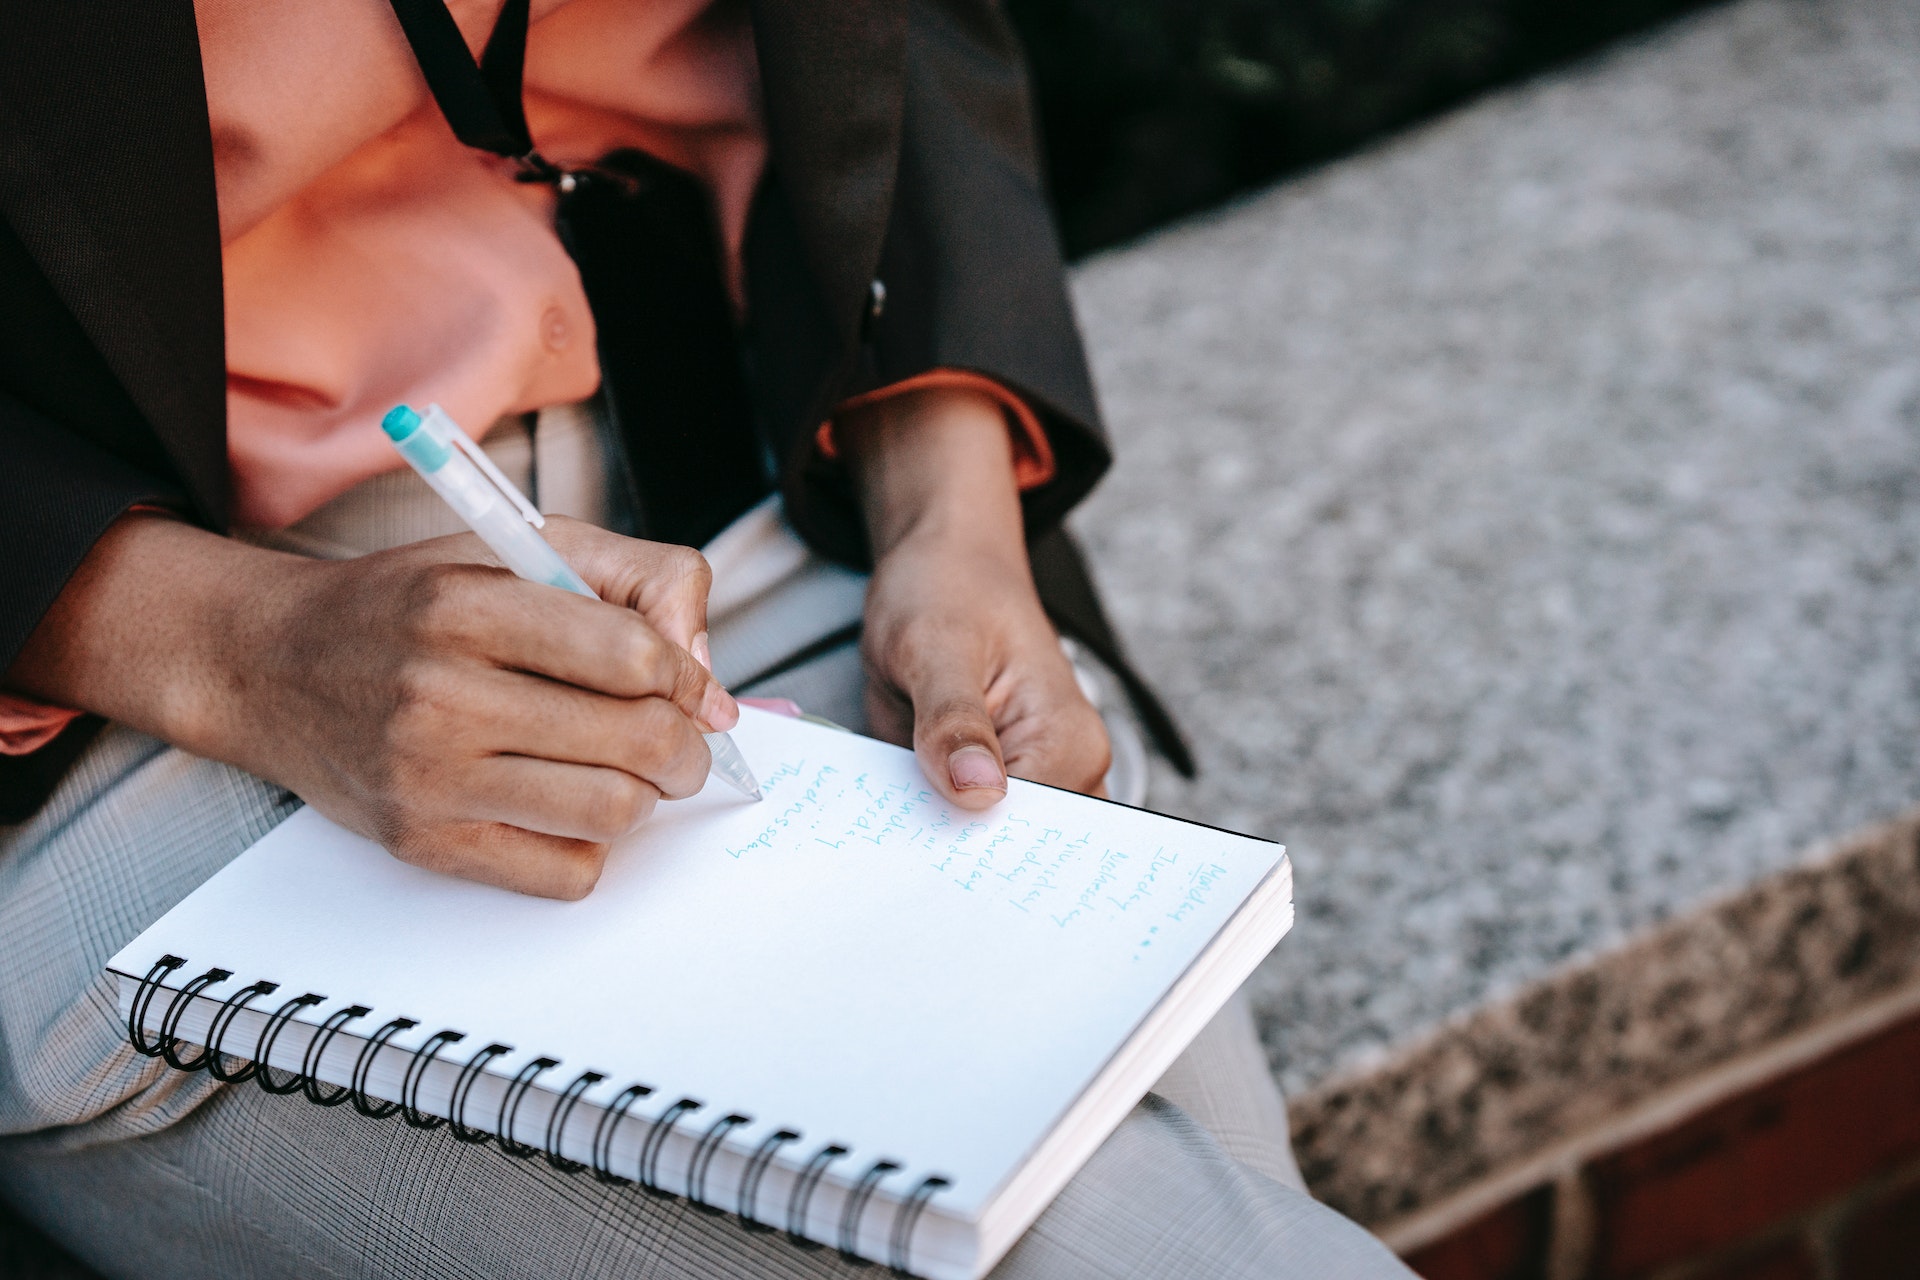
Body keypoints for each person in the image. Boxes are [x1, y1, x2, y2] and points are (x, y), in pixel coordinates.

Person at [0, 1, 1415, 1275]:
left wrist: (948, 513)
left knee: (1212, 1188)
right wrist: (229, 649)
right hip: (137, 672)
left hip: (771, 500)